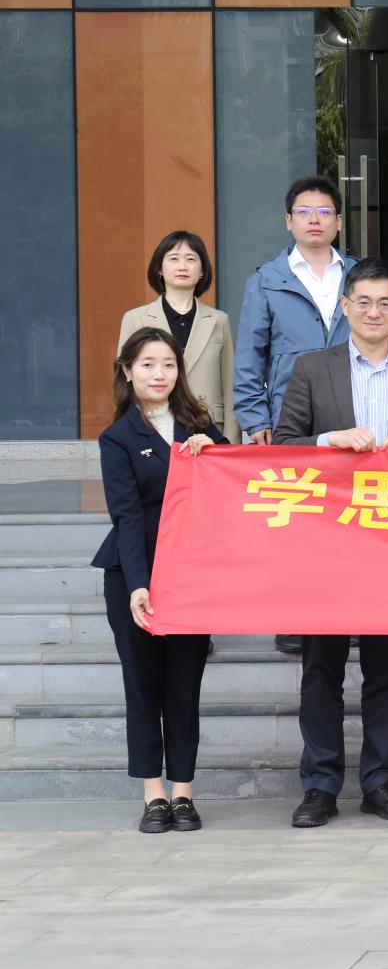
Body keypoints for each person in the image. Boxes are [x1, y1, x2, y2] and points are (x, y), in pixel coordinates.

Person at [275, 259, 388, 829]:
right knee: (320, 669)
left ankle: (380, 780)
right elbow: (283, 446)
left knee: (387, 671)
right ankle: (320, 784)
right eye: (363, 302)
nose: (373, 312)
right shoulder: (312, 368)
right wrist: (329, 440)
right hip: (328, 544)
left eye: (385, 303)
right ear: (345, 307)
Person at [92, 329, 223, 833]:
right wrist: (137, 584)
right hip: (137, 576)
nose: (159, 373)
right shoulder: (117, 438)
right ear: (128, 371)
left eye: (168, 364)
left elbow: (237, 480)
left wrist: (213, 448)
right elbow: (126, 516)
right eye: (147, 364)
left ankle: (184, 793)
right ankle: (154, 794)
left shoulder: (199, 424)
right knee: (143, 687)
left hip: (192, 575)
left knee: (184, 687)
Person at [234, 176, 356, 656]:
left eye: (324, 212)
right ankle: (292, 617)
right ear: (288, 221)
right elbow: (250, 355)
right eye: (304, 212)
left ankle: (345, 614)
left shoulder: (359, 276)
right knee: (295, 517)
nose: (314, 220)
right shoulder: (267, 279)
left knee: (347, 517)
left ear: (339, 221)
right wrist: (254, 417)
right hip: (290, 418)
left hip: (350, 411)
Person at [118, 230, 237, 443]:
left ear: (202, 271)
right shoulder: (135, 319)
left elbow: (231, 387)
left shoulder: (219, 320)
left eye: (191, 259)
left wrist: (229, 443)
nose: (183, 266)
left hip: (207, 431)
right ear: (159, 269)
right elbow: (124, 383)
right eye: (174, 259)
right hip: (152, 427)